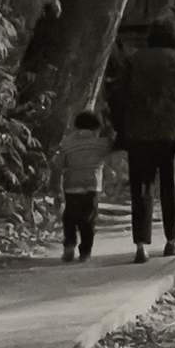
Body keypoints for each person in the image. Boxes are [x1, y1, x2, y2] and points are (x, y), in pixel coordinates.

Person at [108, 16, 175, 263]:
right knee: (170, 185)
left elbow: (117, 96)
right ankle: (170, 242)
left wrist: (123, 127)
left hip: (138, 135)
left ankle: (141, 245)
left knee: (141, 188)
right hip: (170, 135)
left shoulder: (133, 60)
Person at [57, 109, 110, 263]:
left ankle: (69, 245)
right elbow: (111, 151)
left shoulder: (67, 143)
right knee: (89, 220)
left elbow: (60, 164)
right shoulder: (101, 144)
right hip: (92, 186)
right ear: (96, 127)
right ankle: (85, 252)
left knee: (70, 217)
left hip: (72, 185)